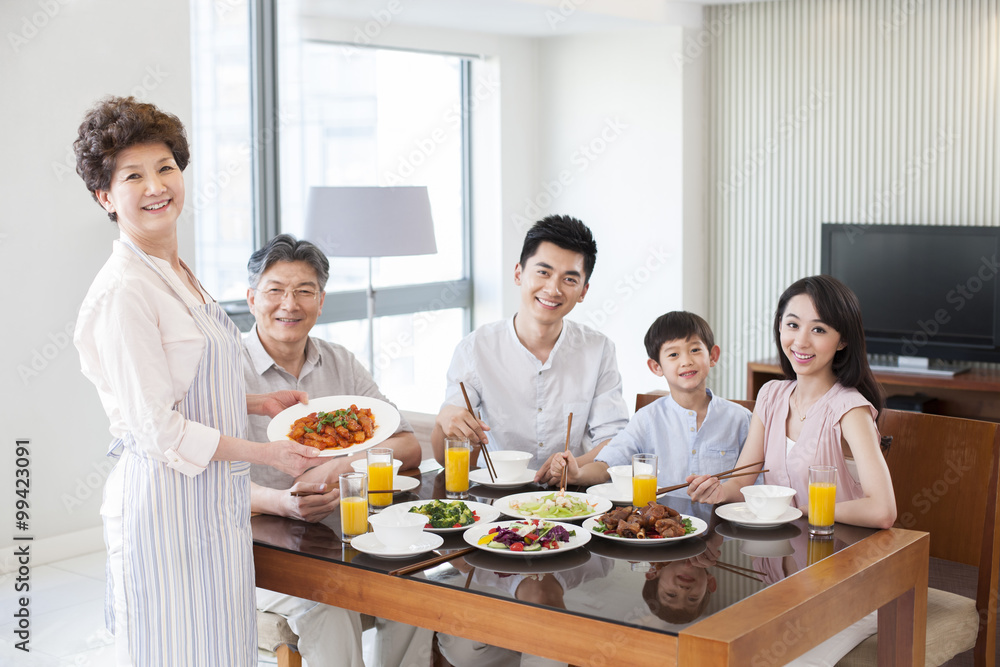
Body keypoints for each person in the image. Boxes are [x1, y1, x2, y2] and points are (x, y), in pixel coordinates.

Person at [73, 96, 319, 666]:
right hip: (165, 511)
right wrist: (269, 452)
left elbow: (182, 386)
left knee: (224, 652)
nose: (157, 185)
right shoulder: (124, 291)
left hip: (213, 504)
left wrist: (258, 401)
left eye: (165, 167)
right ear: (105, 197)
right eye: (133, 175)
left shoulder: (177, 272)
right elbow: (157, 428)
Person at [686, 275, 896, 667]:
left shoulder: (850, 409)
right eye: (792, 324)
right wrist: (717, 487)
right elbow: (742, 482)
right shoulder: (771, 395)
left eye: (819, 329)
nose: (800, 341)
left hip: (844, 580)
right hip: (779, 575)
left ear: (843, 339)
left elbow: (882, 510)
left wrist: (796, 508)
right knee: (713, 645)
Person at [241, 233, 426, 667]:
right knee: (331, 604)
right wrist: (282, 502)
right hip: (256, 545)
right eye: (276, 290)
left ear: (321, 302)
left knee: (415, 586)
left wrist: (339, 468)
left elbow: (407, 444)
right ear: (251, 298)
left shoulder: (340, 361)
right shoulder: (224, 370)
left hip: (343, 534)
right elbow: (201, 479)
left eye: (304, 291)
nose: (290, 304)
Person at [432, 215, 628, 484]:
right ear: (518, 273)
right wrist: (445, 419)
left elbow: (615, 442)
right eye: (543, 272)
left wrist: (572, 468)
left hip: (571, 500)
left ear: (583, 291)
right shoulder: (476, 348)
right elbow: (445, 458)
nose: (553, 289)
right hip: (495, 497)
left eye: (569, 280)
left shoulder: (599, 349)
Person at [549, 311, 751, 496]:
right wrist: (578, 474)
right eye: (673, 354)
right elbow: (607, 465)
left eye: (695, 350)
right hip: (658, 528)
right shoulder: (646, 419)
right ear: (656, 366)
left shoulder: (740, 418)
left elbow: (754, 483)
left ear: (713, 356)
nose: (686, 361)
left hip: (722, 529)